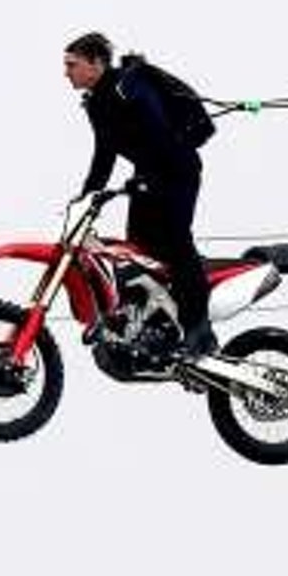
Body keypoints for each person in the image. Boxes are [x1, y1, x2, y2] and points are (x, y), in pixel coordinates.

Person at [62, 31, 214, 356]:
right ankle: (157, 323)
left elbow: (160, 134)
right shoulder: (96, 104)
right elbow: (104, 155)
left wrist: (148, 178)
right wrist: (86, 196)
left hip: (178, 172)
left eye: (72, 65)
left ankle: (199, 328)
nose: (66, 73)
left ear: (96, 63)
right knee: (138, 250)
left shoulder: (129, 85)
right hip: (147, 178)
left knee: (177, 241)